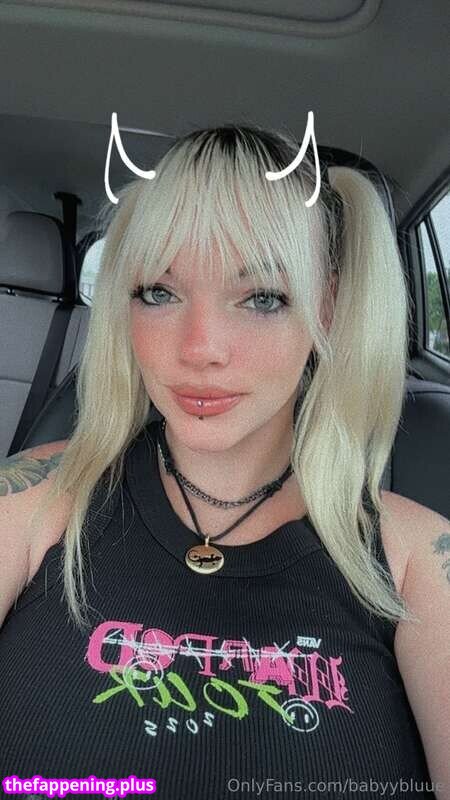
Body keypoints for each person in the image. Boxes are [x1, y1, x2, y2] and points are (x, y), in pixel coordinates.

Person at [0, 124, 446, 800]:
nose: (200, 348)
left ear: (325, 308)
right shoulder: (33, 501)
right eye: (159, 292)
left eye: (261, 297)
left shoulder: (420, 562)